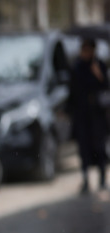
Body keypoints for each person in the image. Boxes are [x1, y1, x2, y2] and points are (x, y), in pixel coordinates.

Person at [68, 37, 109, 194]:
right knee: (83, 148)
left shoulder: (99, 65)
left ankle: (102, 179)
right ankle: (85, 180)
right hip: (81, 115)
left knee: (100, 148)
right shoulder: (77, 67)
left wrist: (99, 74)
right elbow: (72, 91)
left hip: (97, 115)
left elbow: (106, 87)